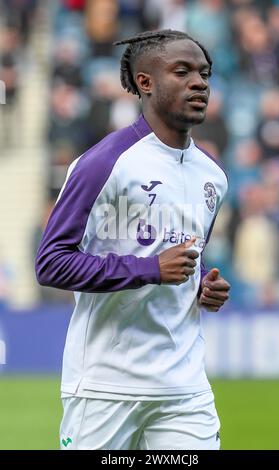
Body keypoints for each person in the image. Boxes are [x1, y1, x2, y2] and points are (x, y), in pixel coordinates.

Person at [35, 29, 230, 451]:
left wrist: (203, 288)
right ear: (145, 82)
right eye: (183, 72)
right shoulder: (104, 164)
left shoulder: (213, 176)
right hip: (105, 386)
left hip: (183, 387)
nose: (199, 83)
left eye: (205, 73)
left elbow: (186, 262)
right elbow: (51, 263)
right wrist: (149, 270)